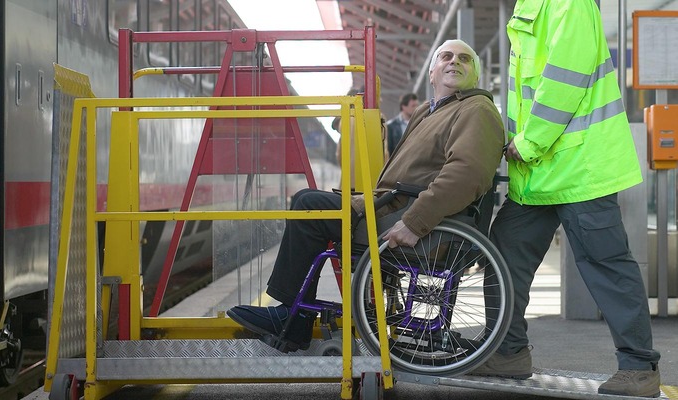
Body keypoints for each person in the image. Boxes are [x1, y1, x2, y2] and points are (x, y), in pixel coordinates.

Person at [226, 39, 504, 353]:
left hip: (414, 219)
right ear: (432, 73)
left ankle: (291, 318)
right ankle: (294, 315)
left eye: (465, 58)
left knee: (309, 205)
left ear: (476, 76)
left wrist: (415, 222)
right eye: (446, 56)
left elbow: (467, 174)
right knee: (310, 202)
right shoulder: (429, 111)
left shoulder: (477, 109)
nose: (455, 62)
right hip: (393, 206)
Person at [470, 1, 661, 397]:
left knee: (605, 266)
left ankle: (639, 367)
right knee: (502, 257)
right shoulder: (533, 9)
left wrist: (528, 141)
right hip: (539, 173)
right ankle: (508, 352)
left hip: (578, 168)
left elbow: (564, 81)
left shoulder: (569, 5)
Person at [386, 92, 419, 157]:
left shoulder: (420, 122)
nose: (416, 108)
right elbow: (389, 150)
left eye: (417, 105)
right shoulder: (391, 126)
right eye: (413, 106)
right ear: (403, 107)